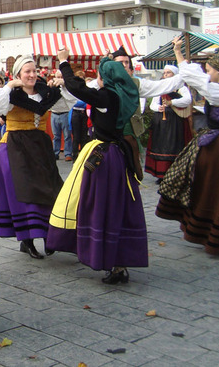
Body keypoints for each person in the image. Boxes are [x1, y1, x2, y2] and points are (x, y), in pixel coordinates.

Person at [47, 48, 148, 284]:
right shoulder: (121, 94)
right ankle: (118, 262)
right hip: (116, 154)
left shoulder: (107, 97)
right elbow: (80, 89)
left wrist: (63, 62)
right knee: (116, 205)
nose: (98, 78)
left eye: (100, 74)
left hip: (106, 157)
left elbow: (77, 88)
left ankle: (107, 258)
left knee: (101, 205)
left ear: (107, 77)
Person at [156, 40, 219, 255]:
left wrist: (178, 53)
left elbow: (192, 76)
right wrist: (178, 52)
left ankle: (216, 234)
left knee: (216, 190)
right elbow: (193, 74)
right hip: (217, 141)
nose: (208, 73)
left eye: (210, 69)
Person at [0, 55, 64, 259]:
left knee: (50, 190)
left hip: (40, 148)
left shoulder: (44, 93)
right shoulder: (12, 96)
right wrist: (9, 85)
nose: (31, 75)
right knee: (24, 194)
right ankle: (27, 240)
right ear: (19, 75)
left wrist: (62, 84)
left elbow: (67, 103)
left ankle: (49, 236)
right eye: (27, 72)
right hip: (15, 148)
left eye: (34, 71)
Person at [112, 46, 186, 180]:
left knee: (130, 171)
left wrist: (180, 57)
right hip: (109, 140)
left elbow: (165, 86)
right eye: (120, 63)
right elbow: (81, 91)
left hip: (130, 136)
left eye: (126, 62)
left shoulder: (136, 84)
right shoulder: (102, 85)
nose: (124, 65)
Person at [144, 65, 193, 180]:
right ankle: (161, 175)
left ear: (174, 75)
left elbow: (187, 100)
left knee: (175, 146)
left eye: (169, 72)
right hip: (161, 123)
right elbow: (153, 104)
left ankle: (175, 173)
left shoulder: (181, 87)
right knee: (161, 146)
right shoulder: (161, 87)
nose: (165, 75)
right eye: (165, 73)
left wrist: (172, 103)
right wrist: (158, 108)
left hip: (176, 122)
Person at [49, 69, 76, 161]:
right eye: (58, 77)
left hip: (65, 113)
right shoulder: (51, 87)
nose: (60, 79)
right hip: (54, 113)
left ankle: (68, 153)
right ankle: (55, 153)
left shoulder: (67, 87)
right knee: (56, 136)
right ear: (55, 77)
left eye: (61, 77)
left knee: (67, 135)